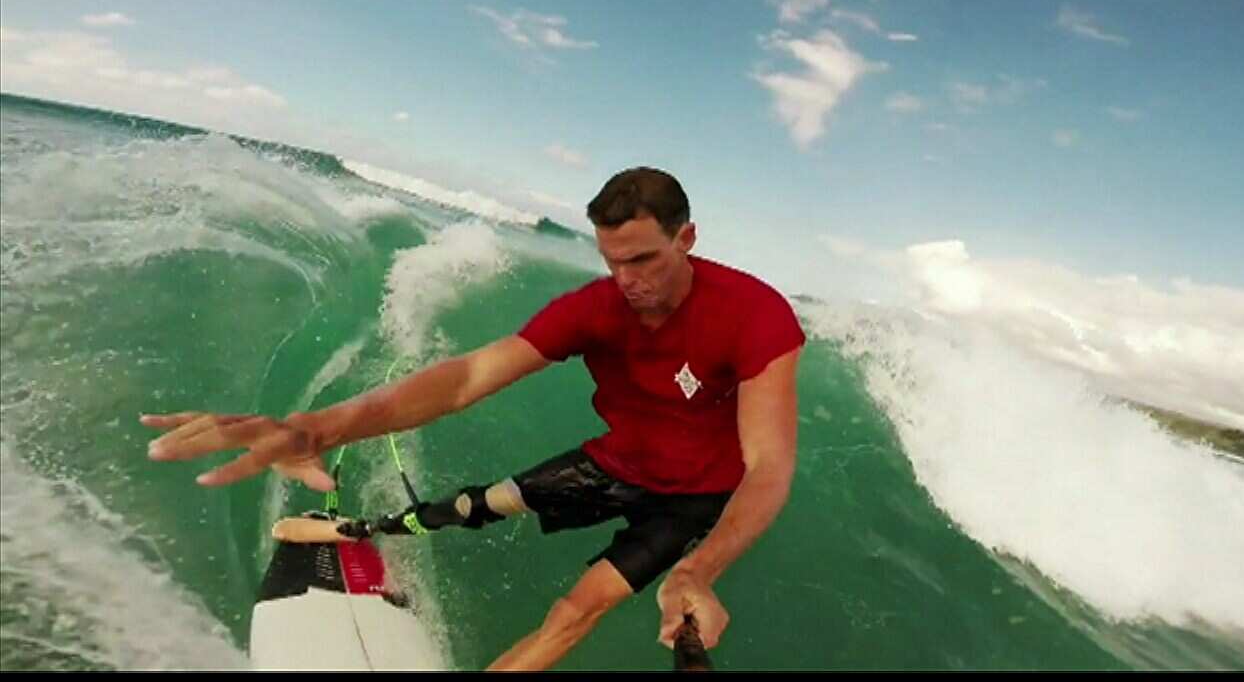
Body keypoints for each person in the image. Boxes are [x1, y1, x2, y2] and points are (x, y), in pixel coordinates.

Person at [144, 166, 805, 671]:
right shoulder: (598, 308)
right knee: (475, 504)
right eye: (610, 261)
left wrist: (698, 571)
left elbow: (769, 466)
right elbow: (466, 378)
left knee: (578, 610)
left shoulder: (754, 315)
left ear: (686, 238)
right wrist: (317, 427)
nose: (625, 279)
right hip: (616, 461)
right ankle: (364, 530)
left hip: (691, 502)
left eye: (642, 259)